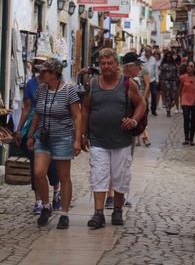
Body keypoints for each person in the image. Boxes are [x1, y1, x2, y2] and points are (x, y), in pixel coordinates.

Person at [81, 48, 146, 229]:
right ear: (100, 65)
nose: (107, 66)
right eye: (103, 63)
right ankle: (98, 213)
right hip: (98, 139)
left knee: (120, 176)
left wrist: (134, 121)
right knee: (98, 174)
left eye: (110, 63)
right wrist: (83, 134)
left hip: (121, 140)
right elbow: (85, 109)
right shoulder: (92, 85)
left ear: (117, 65)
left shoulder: (128, 84)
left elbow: (141, 104)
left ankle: (117, 210)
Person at [26, 58, 82, 229]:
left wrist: (77, 139)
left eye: (44, 72)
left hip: (62, 138)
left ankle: (64, 214)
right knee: (38, 173)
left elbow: (77, 116)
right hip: (43, 138)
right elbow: (37, 113)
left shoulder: (68, 91)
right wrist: (30, 134)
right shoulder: (41, 90)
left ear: (54, 74)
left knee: (64, 176)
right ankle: (46, 206)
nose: (40, 75)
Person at [15, 57, 61, 214]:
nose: (41, 68)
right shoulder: (32, 84)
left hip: (54, 128)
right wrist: (20, 129)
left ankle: (56, 192)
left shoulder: (59, 86)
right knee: (36, 164)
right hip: (36, 128)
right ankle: (39, 200)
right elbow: (27, 109)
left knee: (54, 166)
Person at [177, 61, 195, 146]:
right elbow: (180, 88)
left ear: (194, 68)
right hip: (185, 100)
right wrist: (176, 99)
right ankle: (186, 138)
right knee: (186, 118)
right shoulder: (182, 77)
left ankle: (191, 139)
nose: (189, 67)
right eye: (188, 66)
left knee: (193, 120)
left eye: (191, 66)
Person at [159, 51, 180, 117]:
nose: (168, 58)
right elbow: (160, 74)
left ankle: (170, 104)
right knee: (167, 95)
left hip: (173, 81)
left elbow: (178, 72)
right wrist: (161, 82)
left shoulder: (174, 65)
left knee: (173, 95)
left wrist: (178, 79)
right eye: (167, 57)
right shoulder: (163, 65)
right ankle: (168, 110)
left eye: (169, 57)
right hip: (166, 81)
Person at [140, 45, 159, 116]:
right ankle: (146, 109)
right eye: (146, 51)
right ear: (144, 51)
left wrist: (157, 79)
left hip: (152, 79)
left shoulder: (153, 59)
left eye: (149, 51)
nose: (147, 52)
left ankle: (153, 109)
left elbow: (156, 69)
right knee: (145, 94)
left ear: (151, 52)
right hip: (144, 80)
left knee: (154, 94)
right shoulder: (141, 59)